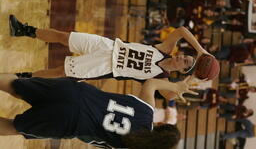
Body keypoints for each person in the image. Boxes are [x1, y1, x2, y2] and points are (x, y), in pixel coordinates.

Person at [0, 74, 197, 149]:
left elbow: (152, 82)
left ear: (161, 125)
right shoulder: (134, 146)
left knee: (16, 85)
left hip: (76, 91)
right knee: (13, 126)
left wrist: (176, 87)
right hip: (70, 121)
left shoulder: (147, 109)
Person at [9, 15, 211, 81]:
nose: (182, 57)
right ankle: (24, 30)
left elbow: (171, 93)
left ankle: (25, 79)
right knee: (64, 37)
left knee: (61, 71)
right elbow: (183, 30)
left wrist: (193, 78)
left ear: (183, 71)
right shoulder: (164, 48)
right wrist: (201, 51)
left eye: (186, 62)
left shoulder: (160, 78)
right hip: (108, 45)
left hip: (105, 66)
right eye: (186, 56)